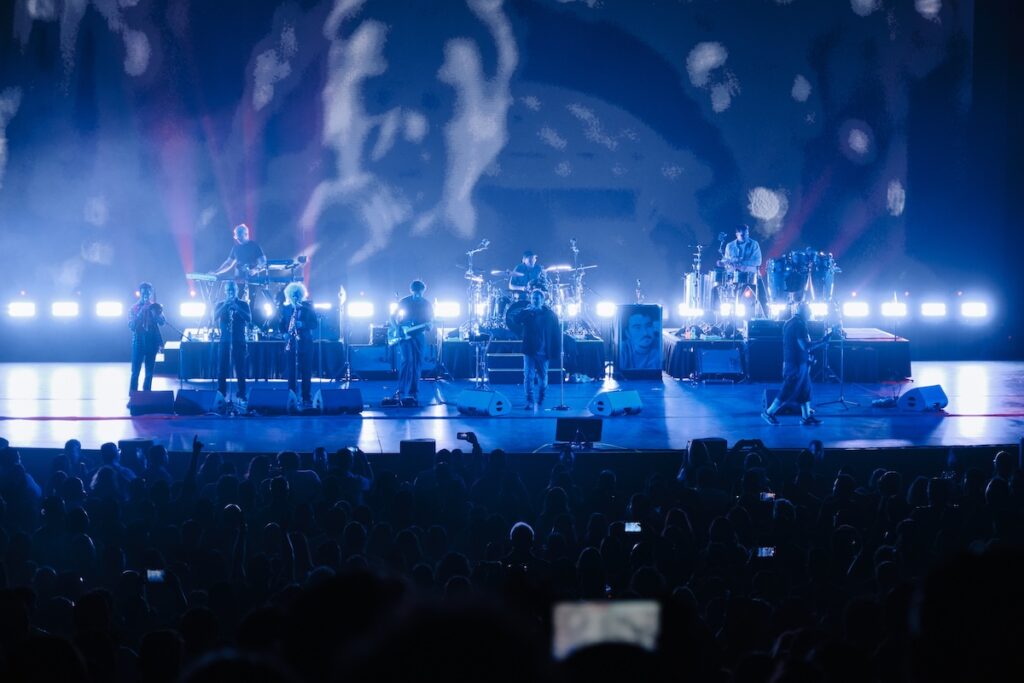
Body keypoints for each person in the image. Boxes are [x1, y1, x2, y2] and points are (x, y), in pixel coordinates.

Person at [762, 301, 822, 426]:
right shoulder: (799, 325)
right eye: (809, 310)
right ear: (803, 311)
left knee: (805, 389)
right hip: (795, 365)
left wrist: (806, 359)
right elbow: (805, 346)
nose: (811, 313)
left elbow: (793, 346)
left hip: (796, 363)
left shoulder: (789, 323)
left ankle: (806, 417)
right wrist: (823, 341)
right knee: (787, 390)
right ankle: (769, 413)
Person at [512, 289, 560, 409]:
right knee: (528, 376)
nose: (535, 301)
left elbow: (556, 333)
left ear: (542, 300)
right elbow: (516, 320)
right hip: (530, 350)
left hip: (544, 352)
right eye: (533, 298)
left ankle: (541, 397)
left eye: (537, 298)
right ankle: (529, 400)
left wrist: (556, 350)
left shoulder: (550, 315)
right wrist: (526, 311)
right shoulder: (528, 313)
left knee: (543, 378)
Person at [390, 280, 434, 404]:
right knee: (407, 360)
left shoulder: (427, 304)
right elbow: (392, 317)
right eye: (415, 292)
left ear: (423, 291)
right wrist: (397, 328)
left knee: (417, 363)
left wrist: (430, 326)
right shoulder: (404, 301)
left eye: (420, 292)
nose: (417, 294)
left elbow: (430, 323)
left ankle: (413, 392)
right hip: (405, 335)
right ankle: (401, 390)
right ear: (411, 290)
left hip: (419, 335)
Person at [280, 282, 318, 405]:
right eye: (292, 294)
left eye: (297, 294)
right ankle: (291, 396)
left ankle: (306, 397)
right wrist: (284, 334)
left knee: (306, 371)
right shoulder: (286, 309)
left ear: (301, 294)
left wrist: (303, 324)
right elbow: (281, 325)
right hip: (291, 343)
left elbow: (315, 324)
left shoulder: (308, 307)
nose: (294, 296)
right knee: (291, 371)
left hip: (306, 343)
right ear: (288, 295)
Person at [214, 281, 252, 402]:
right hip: (225, 340)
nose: (231, 292)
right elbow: (213, 317)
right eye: (228, 290)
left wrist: (237, 308)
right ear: (225, 291)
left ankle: (242, 394)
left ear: (237, 291)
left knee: (240, 368)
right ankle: (221, 393)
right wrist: (224, 305)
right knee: (222, 368)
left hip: (239, 340)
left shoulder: (243, 304)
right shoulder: (220, 304)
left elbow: (249, 319)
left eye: (233, 290)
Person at [128, 282, 166, 394]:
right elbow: (132, 326)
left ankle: (147, 395)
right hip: (139, 341)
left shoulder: (155, 306)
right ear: (140, 293)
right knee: (135, 371)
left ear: (151, 293)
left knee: (149, 372)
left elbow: (162, 322)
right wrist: (141, 312)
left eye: (148, 292)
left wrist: (157, 314)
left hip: (152, 341)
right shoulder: (134, 308)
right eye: (144, 292)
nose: (146, 294)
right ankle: (133, 396)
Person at [619, 306, 662, 370]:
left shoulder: (661, 347)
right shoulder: (622, 349)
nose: (645, 333)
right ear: (628, 333)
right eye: (637, 328)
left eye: (648, 326)